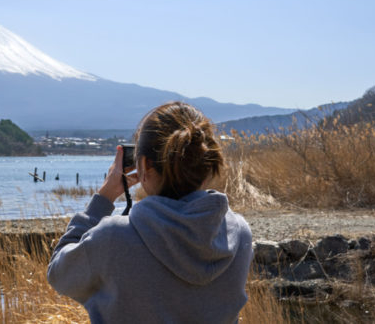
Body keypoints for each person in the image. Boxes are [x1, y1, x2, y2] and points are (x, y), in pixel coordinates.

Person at [47, 101, 253, 324]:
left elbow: (59, 274)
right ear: (207, 164)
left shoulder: (113, 237)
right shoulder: (238, 233)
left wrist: (103, 198)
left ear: (144, 164)